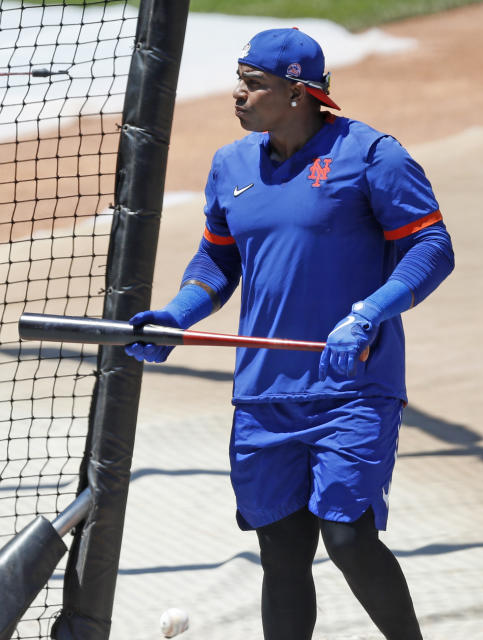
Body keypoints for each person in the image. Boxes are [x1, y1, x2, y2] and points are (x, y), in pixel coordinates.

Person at [126, 28, 454, 640]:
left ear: (299, 92)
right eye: (239, 80)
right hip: (264, 394)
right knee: (281, 551)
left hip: (352, 385)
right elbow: (218, 263)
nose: (238, 95)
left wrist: (368, 313)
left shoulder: (372, 155)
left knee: (349, 536)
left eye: (254, 84)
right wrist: (178, 314)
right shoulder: (230, 165)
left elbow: (431, 247)